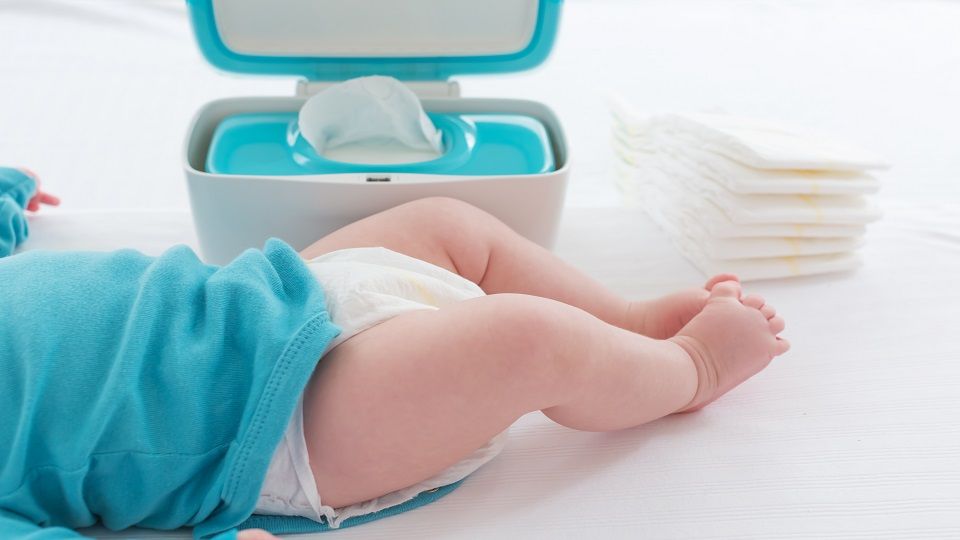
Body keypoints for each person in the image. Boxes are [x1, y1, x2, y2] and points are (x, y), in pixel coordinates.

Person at [0, 168, 787, 539]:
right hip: (275, 433)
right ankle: (691, 369)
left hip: (274, 298)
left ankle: (626, 319)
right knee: (523, 341)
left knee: (448, 225)